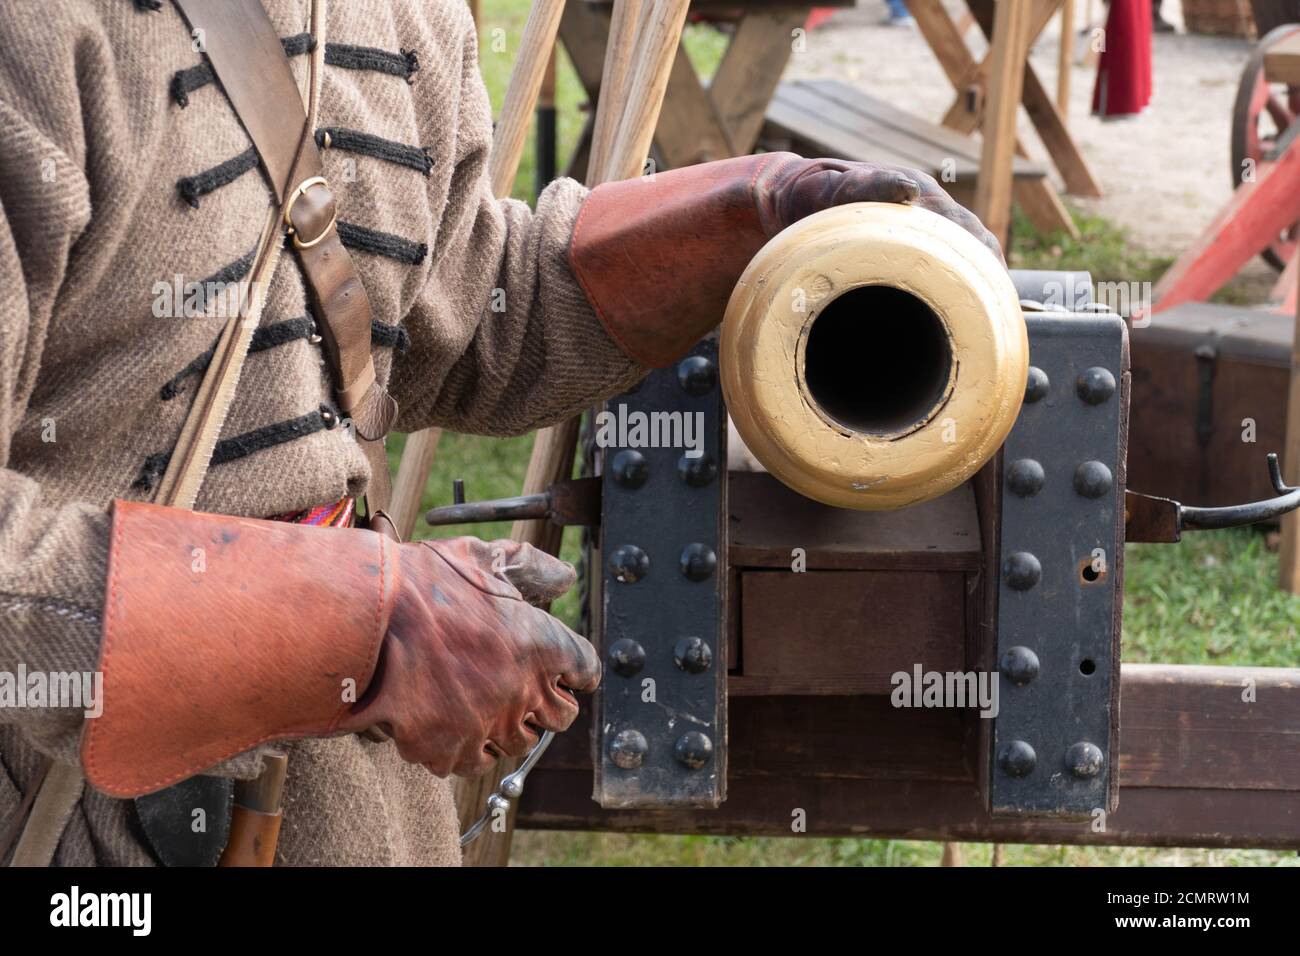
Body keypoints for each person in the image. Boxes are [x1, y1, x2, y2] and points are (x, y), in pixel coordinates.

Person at [0, 0, 999, 866]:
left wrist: (745, 215)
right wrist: (364, 619)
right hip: (49, 802)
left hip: (341, 811)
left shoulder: (400, 19)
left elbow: (462, 313)